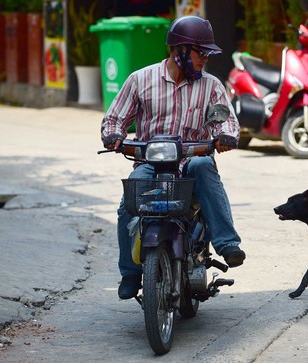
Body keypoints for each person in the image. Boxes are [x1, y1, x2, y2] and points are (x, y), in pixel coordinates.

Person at [101, 15, 246, 299]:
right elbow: (114, 118)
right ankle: (130, 272)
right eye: (200, 52)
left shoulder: (211, 86)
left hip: (192, 160)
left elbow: (226, 121)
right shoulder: (140, 80)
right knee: (127, 205)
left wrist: (226, 136)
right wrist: (113, 135)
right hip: (149, 163)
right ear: (179, 50)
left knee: (204, 164)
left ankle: (227, 243)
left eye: (207, 54)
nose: (205, 59)